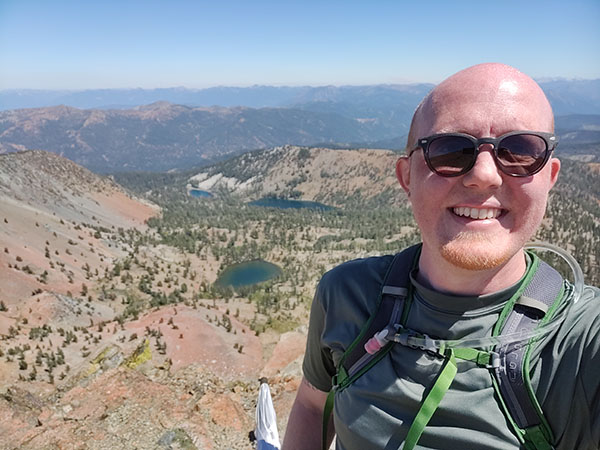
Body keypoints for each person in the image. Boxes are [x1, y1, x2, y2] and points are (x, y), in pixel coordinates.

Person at [282, 63, 599, 450]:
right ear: (406, 177)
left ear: (549, 178)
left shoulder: (582, 340)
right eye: (451, 149)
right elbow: (313, 405)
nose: (484, 175)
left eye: (520, 150)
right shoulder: (346, 294)